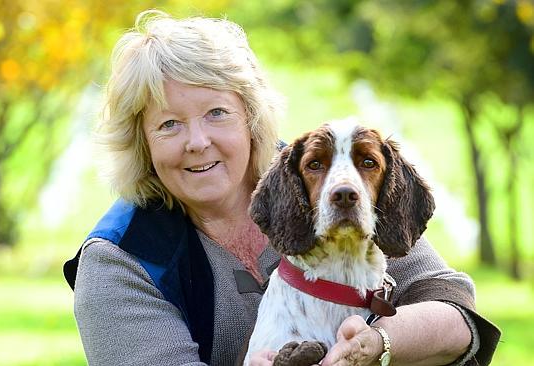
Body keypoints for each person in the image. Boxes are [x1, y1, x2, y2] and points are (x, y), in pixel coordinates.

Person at [63, 10, 500, 366]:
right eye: (169, 124)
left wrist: (375, 343)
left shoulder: (314, 180)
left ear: (251, 118)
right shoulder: (120, 261)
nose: (197, 142)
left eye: (216, 112)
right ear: (141, 143)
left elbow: (456, 314)